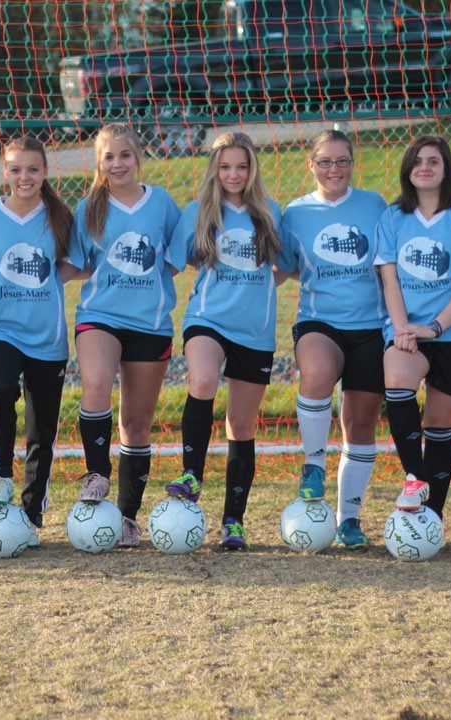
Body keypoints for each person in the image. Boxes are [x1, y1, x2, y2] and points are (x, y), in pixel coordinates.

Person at [163, 132, 282, 550]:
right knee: (202, 380)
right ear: (215, 169)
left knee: (241, 425)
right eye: (226, 166)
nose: (234, 174)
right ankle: (191, 473)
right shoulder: (198, 212)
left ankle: (233, 522)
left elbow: (286, 266)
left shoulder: (270, 213)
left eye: (242, 166)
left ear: (253, 170)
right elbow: (172, 263)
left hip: (255, 330)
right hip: (207, 319)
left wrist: (257, 292)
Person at [70, 123, 183, 548]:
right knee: (96, 382)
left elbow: (173, 259)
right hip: (99, 315)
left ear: (138, 158)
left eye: (124, 155)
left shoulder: (162, 204)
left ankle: (128, 517)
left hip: (150, 322)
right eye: (108, 157)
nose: (117, 164)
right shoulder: (89, 207)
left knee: (136, 423)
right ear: (99, 164)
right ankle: (97, 473)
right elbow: (78, 263)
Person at [375, 136, 451, 523]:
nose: (424, 167)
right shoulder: (393, 218)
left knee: (440, 424)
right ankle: (414, 477)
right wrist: (402, 329)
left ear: (447, 170)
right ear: (407, 170)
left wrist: (435, 327)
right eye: (417, 161)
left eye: (433, 161)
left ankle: (433, 519)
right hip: (407, 334)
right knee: (396, 378)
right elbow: (389, 280)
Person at [277, 128, 388, 549]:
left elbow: (387, 265)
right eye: (324, 161)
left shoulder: (374, 206)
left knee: (360, 423)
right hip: (319, 322)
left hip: (371, 327)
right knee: (318, 371)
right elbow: (285, 266)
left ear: (353, 164)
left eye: (342, 160)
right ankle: (313, 466)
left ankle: (350, 518)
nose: (334, 169)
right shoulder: (294, 214)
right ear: (311, 165)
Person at [0, 136, 82, 547]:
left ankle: (32, 515)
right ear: (5, 172)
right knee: (1, 388)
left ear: (45, 173)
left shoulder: (59, 217)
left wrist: (52, 279)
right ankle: (1, 476)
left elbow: (78, 262)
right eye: (16, 169)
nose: (24, 177)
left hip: (47, 337)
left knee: (42, 430)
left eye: (32, 169)